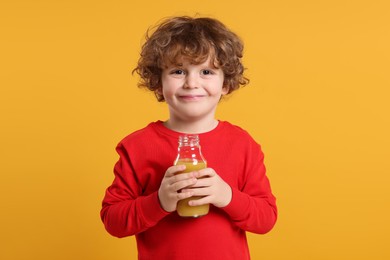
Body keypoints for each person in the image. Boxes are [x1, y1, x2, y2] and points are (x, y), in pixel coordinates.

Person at [100, 15, 277, 260]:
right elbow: (113, 221)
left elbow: (266, 219)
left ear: (225, 83)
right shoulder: (137, 147)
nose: (191, 83)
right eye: (178, 71)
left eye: (206, 71)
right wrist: (159, 201)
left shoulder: (243, 145)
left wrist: (226, 195)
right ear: (158, 84)